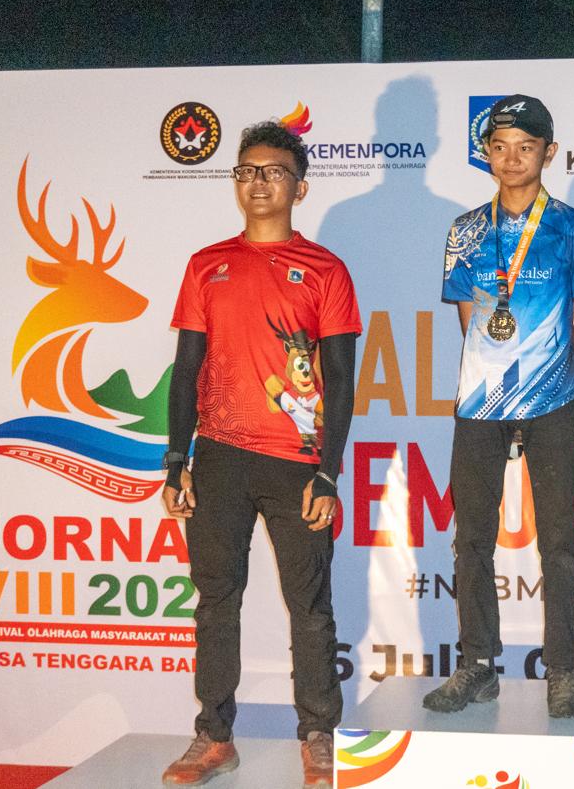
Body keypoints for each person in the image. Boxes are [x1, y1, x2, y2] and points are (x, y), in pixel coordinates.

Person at [159, 121, 362, 787]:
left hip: (296, 463)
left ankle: (319, 736)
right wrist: (176, 461)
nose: (258, 182)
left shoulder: (326, 270)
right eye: (247, 170)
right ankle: (214, 736)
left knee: (310, 604)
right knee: (216, 599)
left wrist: (328, 471)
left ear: (299, 187)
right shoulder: (205, 264)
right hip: (218, 458)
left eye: (273, 172)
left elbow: (340, 381)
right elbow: (186, 370)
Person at [424, 94, 574, 718]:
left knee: (560, 542)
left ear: (548, 153)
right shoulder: (465, 230)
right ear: (486, 154)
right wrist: (497, 376)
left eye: (525, 147)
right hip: (480, 400)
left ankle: (564, 671)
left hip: (554, 399)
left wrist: (553, 378)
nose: (511, 158)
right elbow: (469, 320)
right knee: (471, 538)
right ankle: (477, 665)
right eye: (499, 148)